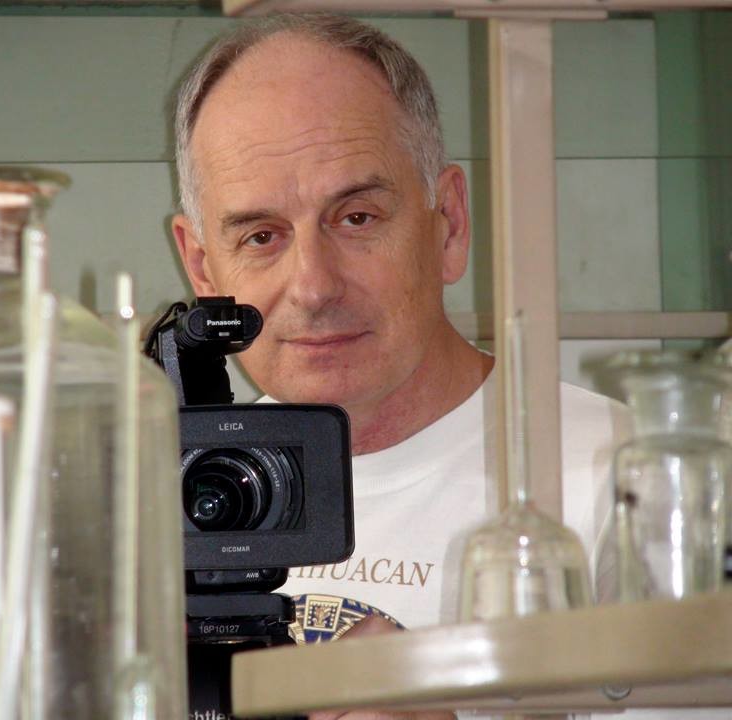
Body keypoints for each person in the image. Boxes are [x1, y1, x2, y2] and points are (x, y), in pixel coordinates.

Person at [170, 13, 631, 719]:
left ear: (449, 224)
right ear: (203, 269)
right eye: (261, 236)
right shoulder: (166, 504)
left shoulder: (632, 483)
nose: (314, 286)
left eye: (357, 217)